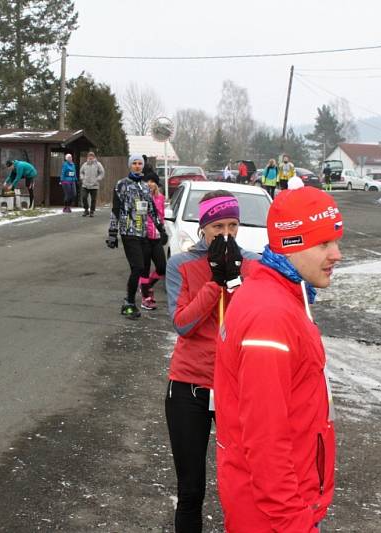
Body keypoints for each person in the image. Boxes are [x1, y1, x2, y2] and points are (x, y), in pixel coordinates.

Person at [214, 177, 341, 532]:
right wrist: (294, 523)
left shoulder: (283, 297)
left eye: (336, 241)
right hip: (273, 518)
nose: (336, 254)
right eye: (324, 243)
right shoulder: (270, 317)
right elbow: (265, 441)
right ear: (291, 244)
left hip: (286, 506)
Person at [164, 190, 261, 533]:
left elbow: (255, 317)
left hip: (236, 386)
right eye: (217, 225)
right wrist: (214, 282)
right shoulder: (181, 264)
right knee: (191, 489)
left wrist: (235, 279)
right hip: (190, 385)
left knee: (242, 486)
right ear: (203, 227)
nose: (226, 233)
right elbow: (183, 324)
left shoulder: (252, 264)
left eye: (233, 225)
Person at [106, 155, 166, 319]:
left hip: (143, 233)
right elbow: (116, 209)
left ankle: (132, 300)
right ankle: (129, 302)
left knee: (143, 268)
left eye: (140, 163)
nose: (138, 166)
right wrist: (112, 233)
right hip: (128, 231)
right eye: (134, 163)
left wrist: (161, 229)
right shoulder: (122, 185)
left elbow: (151, 210)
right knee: (138, 267)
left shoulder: (145, 187)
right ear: (130, 165)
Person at [140, 178, 167, 310]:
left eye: (152, 181)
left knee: (162, 267)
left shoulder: (161, 198)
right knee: (144, 268)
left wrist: (163, 232)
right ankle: (146, 298)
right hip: (143, 237)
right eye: (147, 182)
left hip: (156, 238)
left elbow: (161, 217)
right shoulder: (141, 197)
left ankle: (147, 286)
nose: (150, 184)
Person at [80, 151, 105, 217]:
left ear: (94, 157)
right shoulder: (85, 164)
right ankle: (86, 210)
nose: (90, 157)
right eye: (89, 156)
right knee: (84, 197)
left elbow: (102, 172)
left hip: (94, 185)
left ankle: (92, 211)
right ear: (87, 157)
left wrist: (98, 178)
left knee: (93, 199)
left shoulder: (98, 164)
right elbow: (81, 172)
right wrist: (82, 177)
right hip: (85, 184)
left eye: (92, 156)